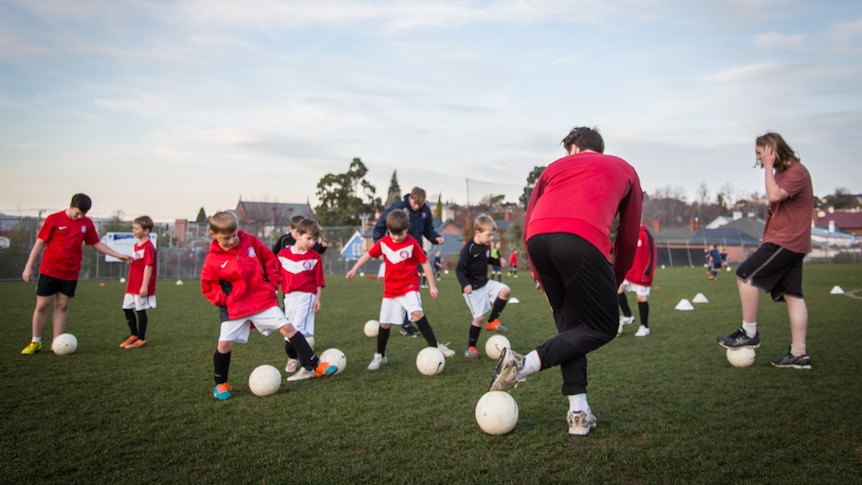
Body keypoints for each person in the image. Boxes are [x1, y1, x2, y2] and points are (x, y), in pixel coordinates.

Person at [489, 126, 642, 436]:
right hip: (581, 240)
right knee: (602, 326)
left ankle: (578, 412)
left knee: (572, 330)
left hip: (538, 240)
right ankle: (524, 363)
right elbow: (628, 235)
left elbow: (531, 218)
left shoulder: (554, 168)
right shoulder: (625, 169)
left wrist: (539, 276)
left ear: (573, 149)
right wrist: (615, 278)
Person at [201, 211, 336, 400]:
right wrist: (225, 299)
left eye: (234, 235)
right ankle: (221, 384)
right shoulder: (213, 259)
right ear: (213, 235)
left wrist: (272, 284)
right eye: (226, 238)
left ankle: (317, 365)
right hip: (235, 306)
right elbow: (208, 286)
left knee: (288, 327)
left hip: (260, 299)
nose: (232, 241)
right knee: (224, 344)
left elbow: (268, 258)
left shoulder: (249, 241)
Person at [717, 132, 814, 369]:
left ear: (772, 150)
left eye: (761, 154)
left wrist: (769, 167)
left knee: (745, 275)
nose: (759, 159)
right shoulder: (783, 173)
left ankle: (749, 332)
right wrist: (771, 169)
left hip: (786, 241)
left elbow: (774, 195)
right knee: (793, 296)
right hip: (789, 241)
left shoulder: (796, 172)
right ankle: (799, 354)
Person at [21, 193, 134, 355]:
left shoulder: (86, 224)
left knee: (62, 306)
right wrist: (28, 266)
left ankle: (57, 342)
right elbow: (40, 243)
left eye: (83, 214)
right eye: (77, 213)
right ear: (71, 205)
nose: (79, 216)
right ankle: (35, 341)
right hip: (49, 270)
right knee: (42, 305)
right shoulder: (53, 219)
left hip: (71, 272)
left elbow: (96, 243)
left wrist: (118, 255)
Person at [347, 209, 455, 370]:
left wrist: (432, 286)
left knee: (417, 313)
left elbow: (425, 263)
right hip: (390, 290)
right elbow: (368, 255)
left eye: (401, 234)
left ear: (407, 229)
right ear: (388, 230)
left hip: (409, 286)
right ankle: (380, 356)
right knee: (384, 324)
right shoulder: (384, 243)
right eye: (393, 234)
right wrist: (354, 269)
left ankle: (436, 347)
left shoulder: (412, 243)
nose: (397, 238)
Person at [372, 187, 444, 338]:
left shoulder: (425, 211)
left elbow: (428, 229)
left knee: (411, 286)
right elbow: (381, 224)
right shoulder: (398, 208)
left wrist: (435, 237)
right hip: (397, 252)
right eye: (414, 203)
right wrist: (379, 244)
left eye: (420, 204)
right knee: (401, 286)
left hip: (413, 251)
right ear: (410, 198)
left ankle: (406, 323)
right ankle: (403, 324)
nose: (417, 207)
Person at [276, 218, 326, 382]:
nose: (311, 243)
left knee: (298, 333)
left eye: (314, 240)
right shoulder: (282, 256)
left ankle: (308, 368)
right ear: (297, 235)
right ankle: (294, 358)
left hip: (307, 297)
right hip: (289, 299)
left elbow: (318, 282)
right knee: (288, 337)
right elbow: (274, 278)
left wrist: (317, 299)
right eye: (308, 238)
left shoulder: (314, 257)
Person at [456, 214, 511, 360]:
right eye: (489, 235)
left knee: (505, 291)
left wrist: (498, 262)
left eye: (492, 234)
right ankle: (471, 347)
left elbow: (486, 260)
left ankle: (492, 321)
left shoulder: (486, 245)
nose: (491, 238)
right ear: (478, 233)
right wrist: (465, 284)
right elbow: (459, 269)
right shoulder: (468, 248)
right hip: (472, 289)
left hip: (485, 283)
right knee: (478, 318)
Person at [120, 215, 157, 349]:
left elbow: (148, 266)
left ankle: (141, 338)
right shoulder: (136, 245)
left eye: (136, 229)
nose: (133, 231)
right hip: (132, 284)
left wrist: (144, 286)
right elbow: (139, 262)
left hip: (141, 285)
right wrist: (131, 260)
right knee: (126, 308)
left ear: (146, 231)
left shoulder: (148, 247)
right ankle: (134, 334)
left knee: (140, 310)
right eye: (133, 228)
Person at [617, 223, 657, 337]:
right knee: (617, 289)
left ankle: (644, 326)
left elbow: (652, 255)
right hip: (629, 272)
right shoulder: (629, 233)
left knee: (641, 297)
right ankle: (628, 315)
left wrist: (648, 273)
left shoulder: (646, 234)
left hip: (641, 273)